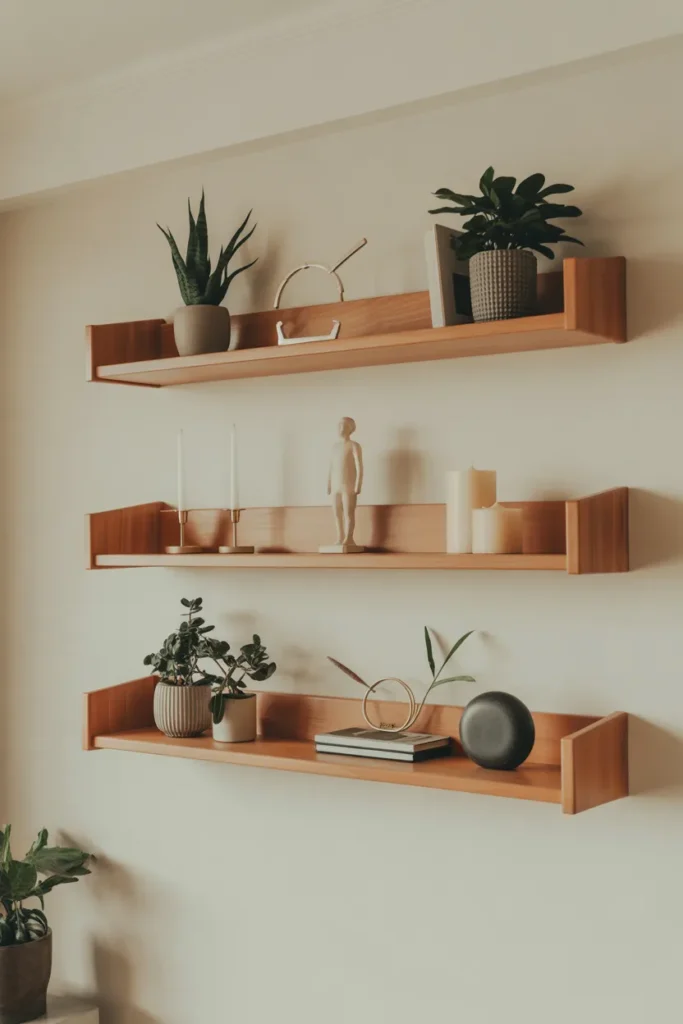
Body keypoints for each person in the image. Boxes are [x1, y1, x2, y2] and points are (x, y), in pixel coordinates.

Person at [326, 417, 364, 549]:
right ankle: (340, 536)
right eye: (339, 425)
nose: (341, 428)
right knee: (337, 512)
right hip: (336, 485)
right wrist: (328, 484)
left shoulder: (354, 446)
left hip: (348, 485)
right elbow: (331, 467)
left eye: (344, 425)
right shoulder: (335, 447)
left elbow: (359, 467)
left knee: (348, 512)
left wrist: (358, 484)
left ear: (350, 428)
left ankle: (349, 537)